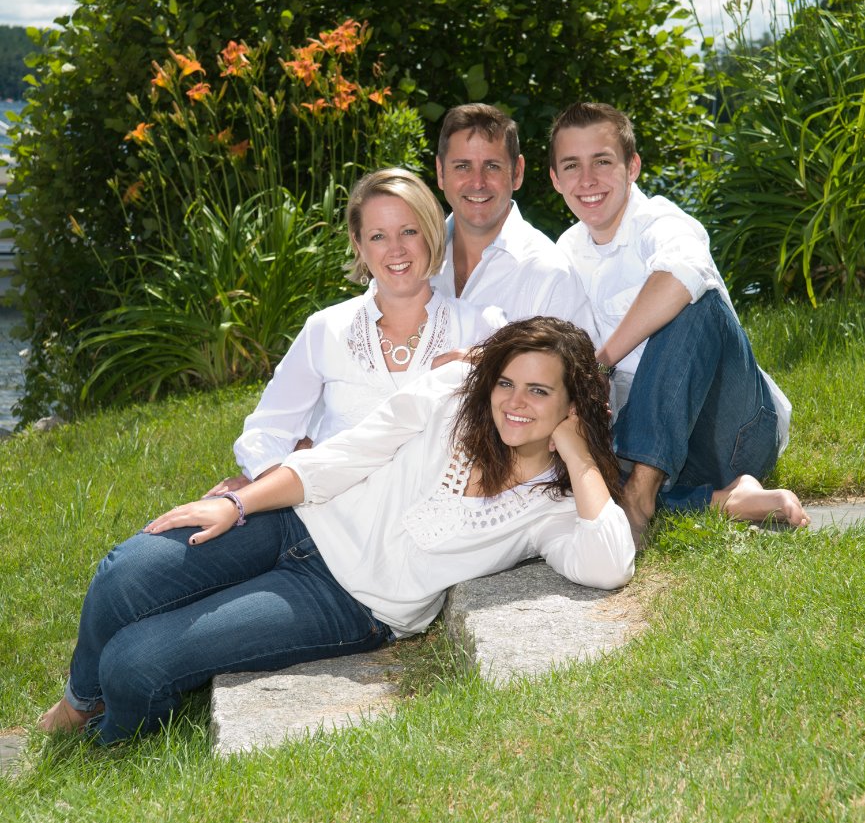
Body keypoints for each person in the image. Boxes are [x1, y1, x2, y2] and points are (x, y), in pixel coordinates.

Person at [38, 317, 635, 743]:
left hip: (345, 602)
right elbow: (348, 453)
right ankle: (79, 701)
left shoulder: (555, 506)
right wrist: (240, 505)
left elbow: (610, 564)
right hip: (297, 523)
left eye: (539, 391)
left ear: (571, 405)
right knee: (126, 573)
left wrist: (578, 455)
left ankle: (110, 738)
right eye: (506, 382)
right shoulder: (454, 395)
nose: (514, 402)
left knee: (135, 664)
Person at [548, 101, 809, 543]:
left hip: (733, 429)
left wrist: (602, 361)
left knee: (691, 299)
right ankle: (724, 499)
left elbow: (683, 275)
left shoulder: (662, 221)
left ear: (632, 166)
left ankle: (640, 497)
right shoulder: (566, 250)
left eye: (602, 161)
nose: (587, 180)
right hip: (647, 441)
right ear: (555, 180)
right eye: (571, 165)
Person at [206, 167, 505, 496]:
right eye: (378, 236)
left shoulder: (481, 327)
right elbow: (266, 431)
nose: (396, 250)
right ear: (358, 244)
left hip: (435, 523)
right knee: (163, 545)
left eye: (408, 231)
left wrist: (493, 367)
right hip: (324, 518)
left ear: (431, 233)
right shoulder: (327, 329)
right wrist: (278, 489)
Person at [430, 103, 596, 331]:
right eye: (462, 166)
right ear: (441, 173)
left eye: (492, 166)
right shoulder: (416, 260)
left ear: (517, 173)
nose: (478, 183)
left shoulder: (550, 275)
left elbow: (580, 367)